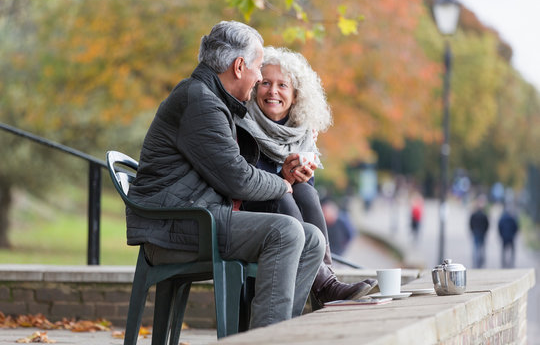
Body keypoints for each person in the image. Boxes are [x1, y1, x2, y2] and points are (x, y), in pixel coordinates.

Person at [126, 21, 326, 329]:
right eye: (259, 69)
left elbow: (232, 168)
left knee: (311, 239)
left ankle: (277, 331)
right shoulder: (200, 102)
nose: (260, 78)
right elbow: (239, 179)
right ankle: (263, 338)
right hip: (175, 226)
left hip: (195, 217)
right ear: (239, 66)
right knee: (286, 231)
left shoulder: (211, 98)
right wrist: (283, 183)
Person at [235, 46, 377, 309]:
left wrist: (299, 176)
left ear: (295, 94)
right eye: (265, 83)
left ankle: (326, 280)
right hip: (247, 211)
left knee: (307, 193)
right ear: (255, 88)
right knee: (284, 196)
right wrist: (284, 179)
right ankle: (325, 287)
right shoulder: (242, 124)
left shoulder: (301, 133)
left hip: (284, 211)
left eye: (282, 85)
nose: (273, 91)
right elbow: (245, 181)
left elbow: (303, 190)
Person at [469, 195, 489, 268]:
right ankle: (480, 262)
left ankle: (476, 262)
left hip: (476, 233)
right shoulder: (484, 215)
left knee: (476, 248)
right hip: (482, 233)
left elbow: (470, 224)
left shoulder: (474, 214)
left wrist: (473, 231)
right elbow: (487, 225)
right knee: (481, 248)